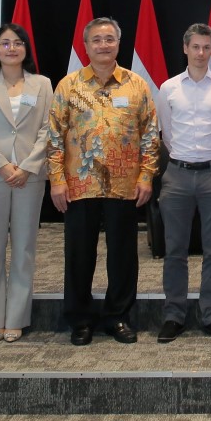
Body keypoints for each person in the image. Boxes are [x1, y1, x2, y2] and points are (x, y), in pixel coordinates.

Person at [46, 17, 160, 346]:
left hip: (125, 185)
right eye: (96, 39)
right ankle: (80, 319)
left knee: (123, 255)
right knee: (79, 255)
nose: (103, 45)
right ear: (86, 46)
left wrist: (146, 175)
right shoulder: (68, 85)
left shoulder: (136, 84)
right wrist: (57, 180)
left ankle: (118, 316)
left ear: (118, 44)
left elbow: (151, 135)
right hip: (79, 184)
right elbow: (54, 136)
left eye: (109, 39)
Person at [0, 23, 53, 344]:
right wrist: (3, 166)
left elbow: (48, 129)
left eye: (17, 43)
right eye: (5, 43)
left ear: (26, 48)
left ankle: (16, 318)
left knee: (24, 249)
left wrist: (27, 167)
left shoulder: (42, 84)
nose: (11, 48)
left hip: (30, 177)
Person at [155, 22, 211, 344]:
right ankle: (174, 315)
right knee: (174, 249)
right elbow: (166, 132)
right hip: (177, 175)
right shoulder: (168, 88)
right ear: (185, 48)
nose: (201, 53)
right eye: (195, 47)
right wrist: (186, 157)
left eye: (206, 47)